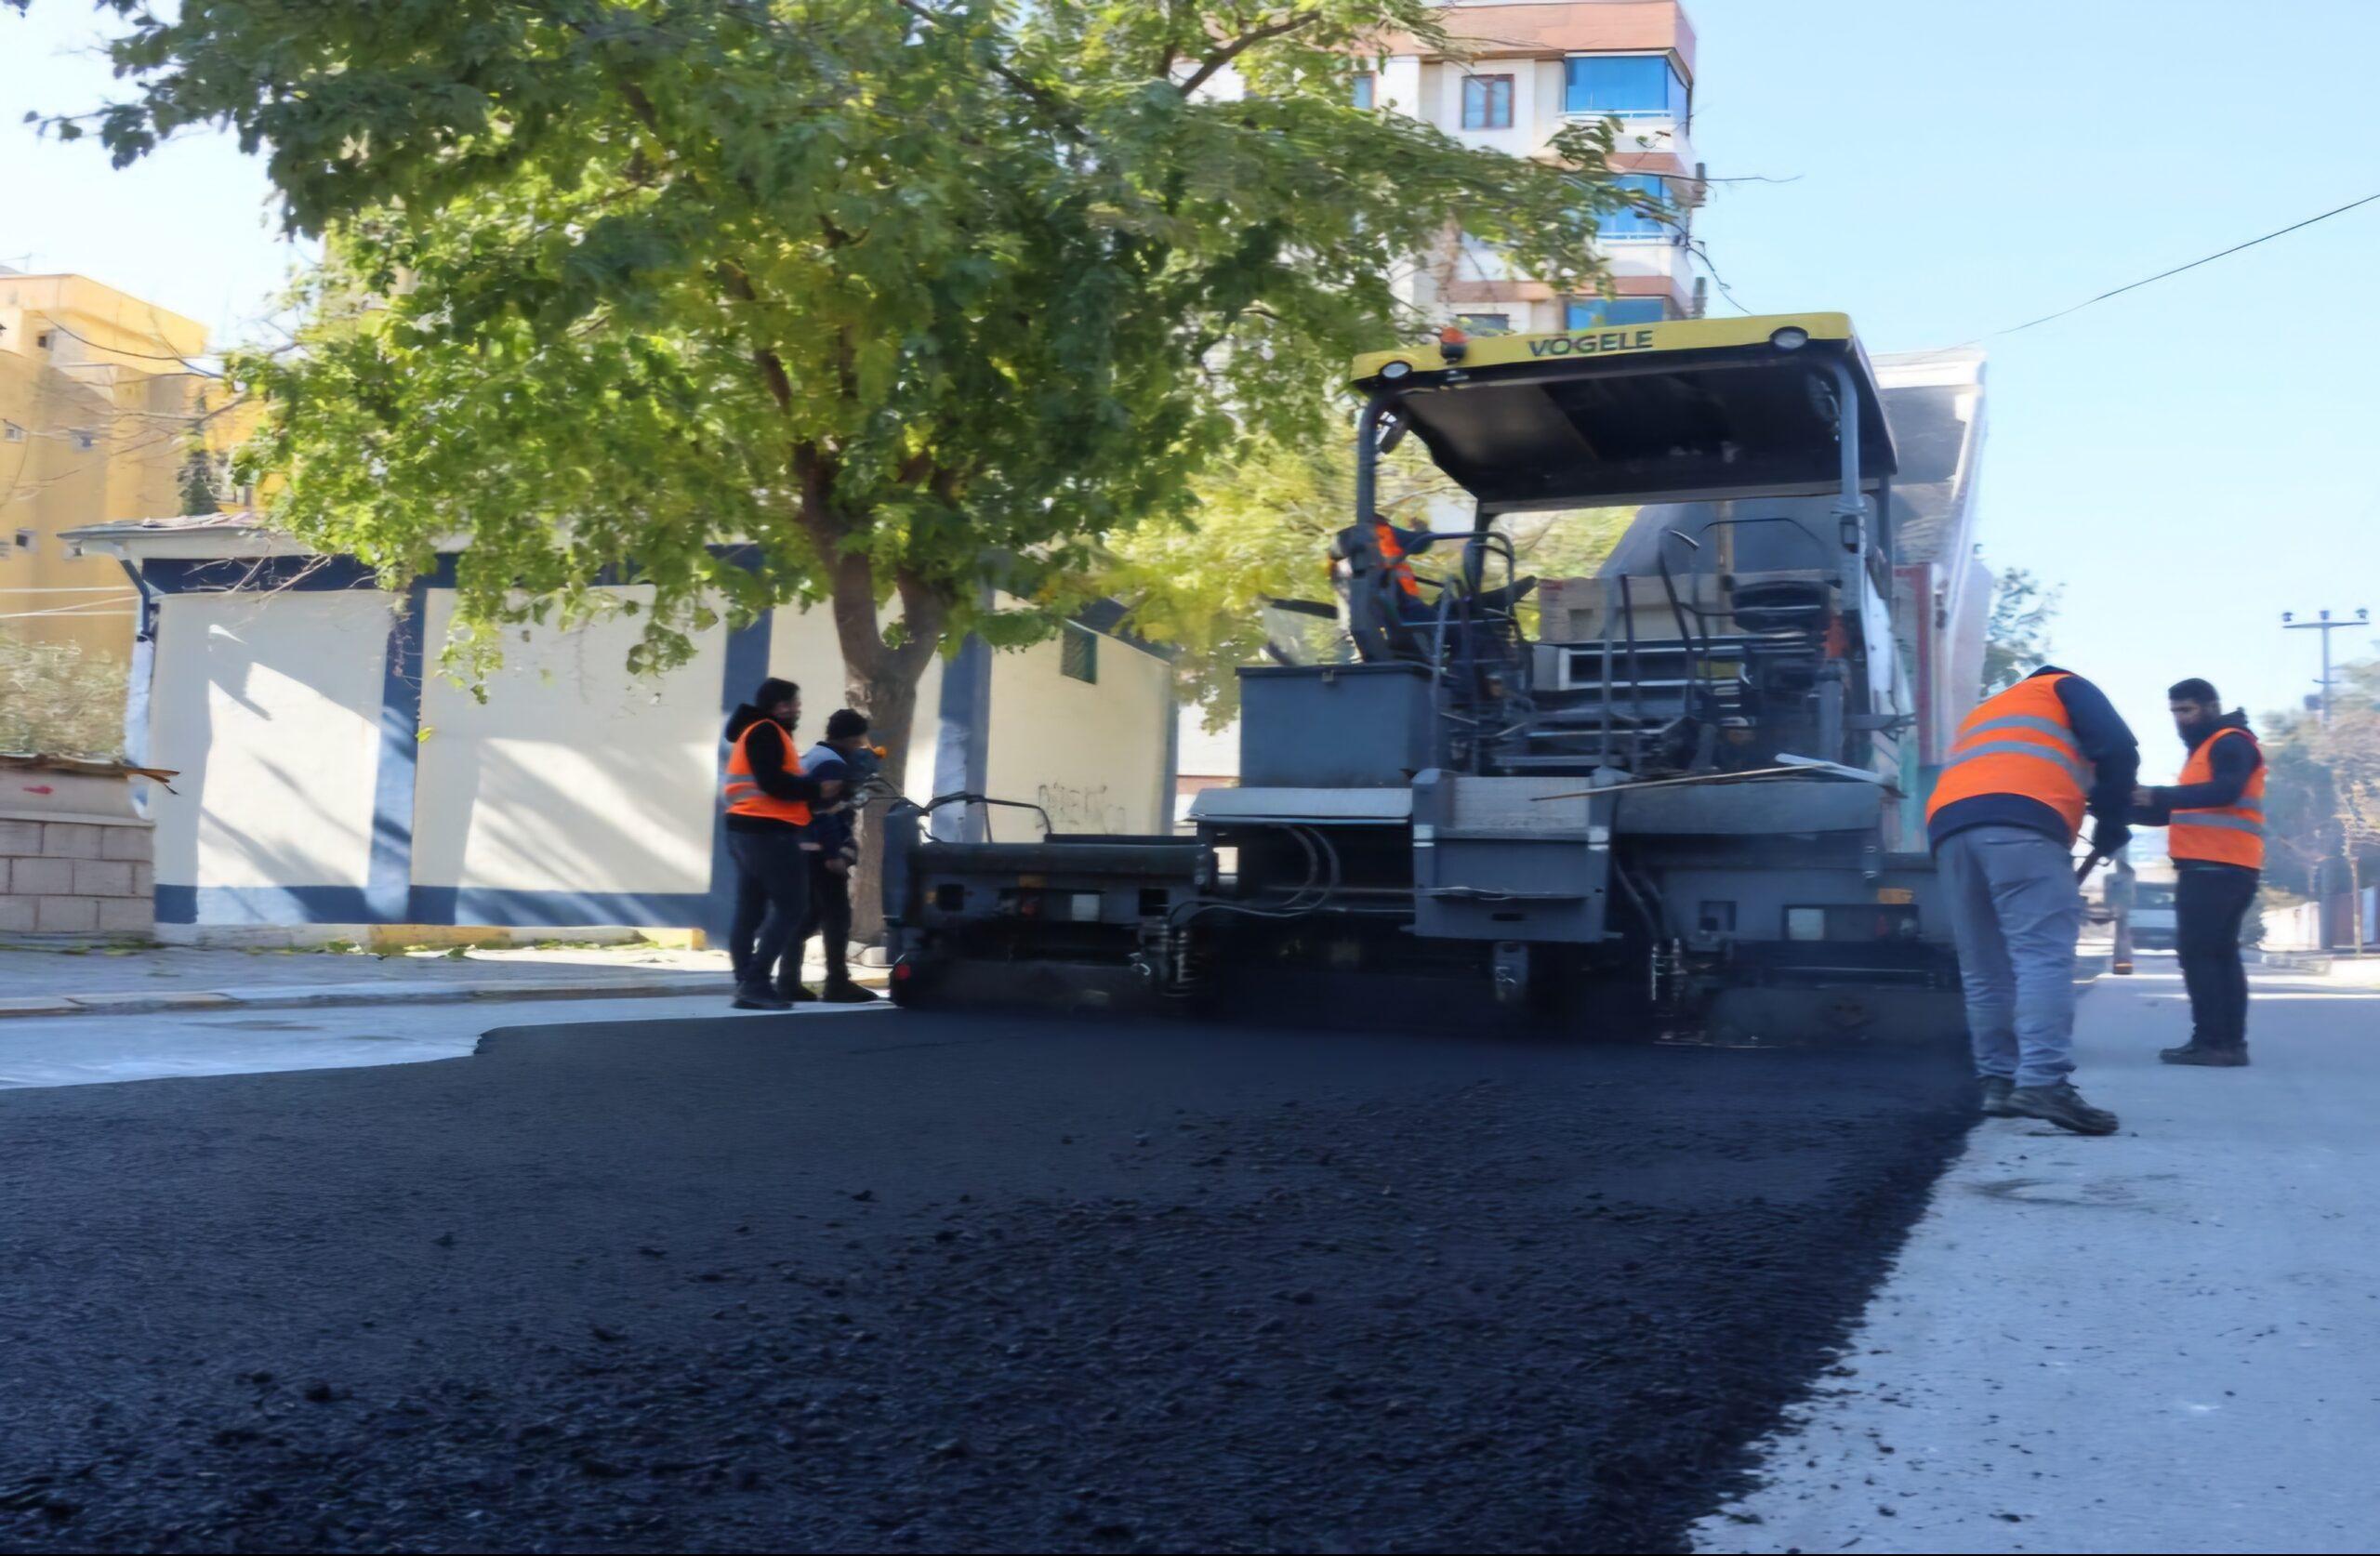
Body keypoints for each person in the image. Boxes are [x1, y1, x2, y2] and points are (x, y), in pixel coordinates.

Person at [1926, 666, 2139, 1134]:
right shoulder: (2065, 686)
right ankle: (2043, 1082)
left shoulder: (1993, 709)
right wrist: (2111, 822)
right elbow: (2120, 748)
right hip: (2022, 823)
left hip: (1950, 828)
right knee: (2042, 957)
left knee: (1985, 968)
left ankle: (1998, 1082)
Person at [2130, 678, 2263, 1067]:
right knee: (2219, 955)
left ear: (2210, 706)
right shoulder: (2204, 751)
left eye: (2186, 710)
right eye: (2174, 711)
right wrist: (2128, 806)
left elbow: (2227, 791)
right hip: (2220, 866)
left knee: (2200, 953)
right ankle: (2227, 1044)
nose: (2179, 719)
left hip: (2217, 866)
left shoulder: (2230, 741)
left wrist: (2159, 794)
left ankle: (2214, 1042)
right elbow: (2180, 810)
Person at [721, 678, 840, 1011]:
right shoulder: (767, 731)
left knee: (750, 909)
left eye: (796, 703)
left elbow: (774, 784)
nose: (796, 709)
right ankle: (755, 981)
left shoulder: (755, 731)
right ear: (774, 706)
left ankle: (747, 981)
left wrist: (812, 800)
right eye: (790, 703)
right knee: (792, 906)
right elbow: (773, 783)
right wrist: (818, 791)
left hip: (746, 830)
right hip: (768, 832)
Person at [789, 708, 883, 1004]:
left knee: (806, 918)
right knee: (837, 918)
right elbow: (826, 813)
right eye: (859, 742)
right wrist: (835, 854)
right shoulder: (832, 765)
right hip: (820, 853)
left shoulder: (813, 756)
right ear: (854, 738)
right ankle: (836, 983)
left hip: (802, 850)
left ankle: (788, 981)